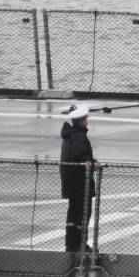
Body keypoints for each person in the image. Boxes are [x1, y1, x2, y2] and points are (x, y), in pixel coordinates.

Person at [60, 104, 95, 253]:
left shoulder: (69, 136)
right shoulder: (79, 137)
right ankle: (79, 245)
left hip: (71, 183)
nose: (87, 121)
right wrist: (93, 164)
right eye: (85, 118)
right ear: (82, 120)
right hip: (80, 184)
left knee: (73, 215)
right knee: (82, 215)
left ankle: (72, 244)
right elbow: (82, 158)